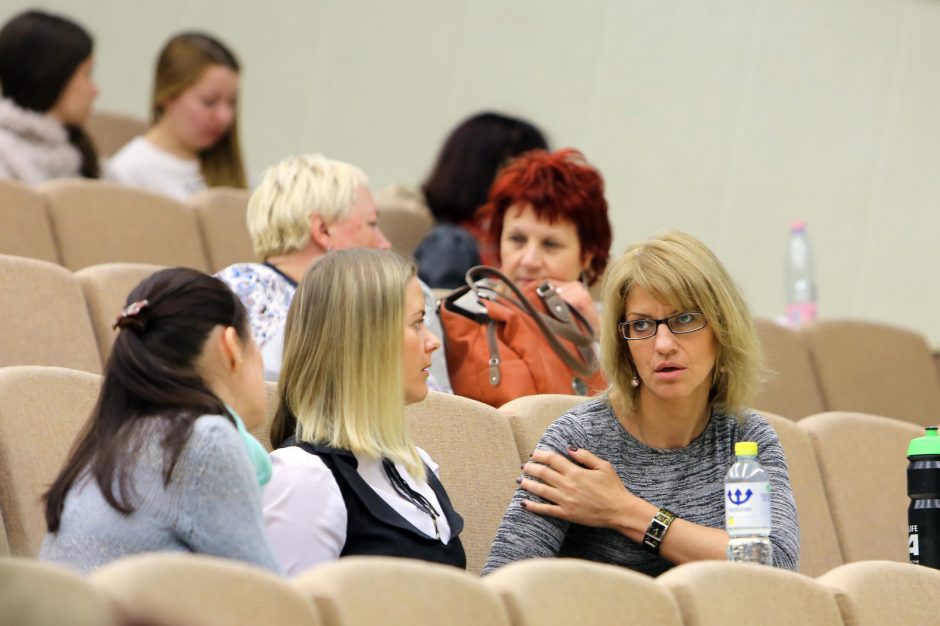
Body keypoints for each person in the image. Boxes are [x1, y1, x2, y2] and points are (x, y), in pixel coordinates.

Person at [483, 232, 800, 576]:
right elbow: (504, 580)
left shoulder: (745, 438)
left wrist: (624, 511)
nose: (663, 344)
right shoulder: (579, 442)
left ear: (722, 330)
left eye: (684, 319)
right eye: (642, 325)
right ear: (624, 345)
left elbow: (777, 565)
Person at [41, 268, 280, 574]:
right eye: (255, 340)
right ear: (231, 345)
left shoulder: (117, 437)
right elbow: (267, 598)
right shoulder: (206, 440)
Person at [262, 249, 466, 575]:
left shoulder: (417, 465)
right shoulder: (302, 478)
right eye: (417, 324)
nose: (433, 342)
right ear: (365, 341)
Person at [216, 153, 451, 392]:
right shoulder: (242, 287)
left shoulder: (402, 289)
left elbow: (438, 403)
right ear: (323, 230)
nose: (385, 243)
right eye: (371, 224)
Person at [412, 111, 548, 288]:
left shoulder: (497, 239)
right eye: (517, 168)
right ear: (475, 168)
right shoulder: (450, 244)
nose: (531, 182)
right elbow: (437, 311)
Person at [107, 32, 244, 200]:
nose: (224, 117)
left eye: (231, 102)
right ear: (168, 96)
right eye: (209, 101)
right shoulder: (127, 173)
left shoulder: (237, 173)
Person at [0, 10, 99, 183]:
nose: (95, 90)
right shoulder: (5, 156)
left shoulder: (82, 154)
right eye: (87, 75)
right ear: (51, 75)